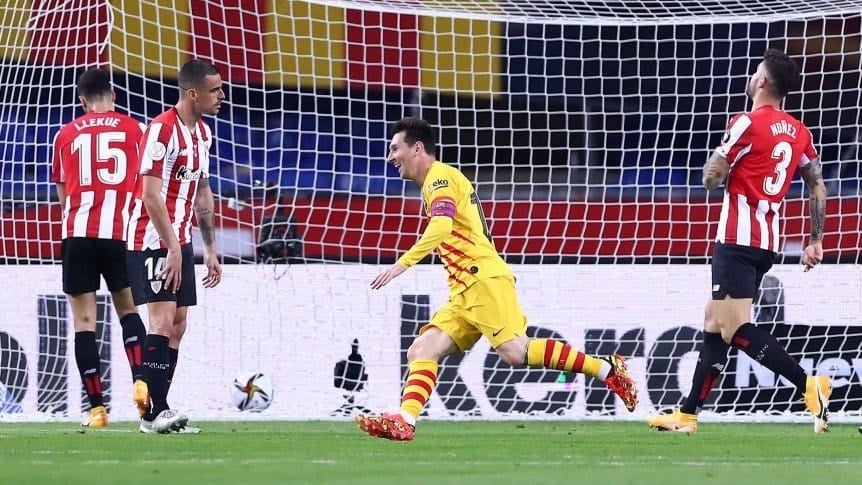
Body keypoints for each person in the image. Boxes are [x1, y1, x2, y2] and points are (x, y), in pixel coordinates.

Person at [355, 117, 638, 441]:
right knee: (422, 349)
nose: (390, 157)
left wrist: (403, 264)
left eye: (395, 149)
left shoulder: (439, 178)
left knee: (515, 351)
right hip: (463, 288)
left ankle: (607, 368)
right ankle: (405, 420)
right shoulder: (439, 181)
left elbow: (442, 225)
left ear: (417, 148)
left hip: (481, 278)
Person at [647, 49, 830, 433]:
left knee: (733, 328)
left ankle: (808, 385)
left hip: (736, 239)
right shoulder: (799, 132)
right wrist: (815, 239)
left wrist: (720, 160)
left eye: (755, 71)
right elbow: (817, 185)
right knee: (714, 322)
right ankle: (688, 414)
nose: (752, 76)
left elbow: (710, 178)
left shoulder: (746, 122)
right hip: (766, 242)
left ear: (762, 81)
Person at [127, 59, 224, 434]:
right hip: (152, 239)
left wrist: (209, 248)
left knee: (179, 326)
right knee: (162, 321)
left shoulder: (203, 134)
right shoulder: (161, 130)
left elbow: (202, 191)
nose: (222, 95)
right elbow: (150, 195)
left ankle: (157, 412)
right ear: (193, 94)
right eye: (215, 90)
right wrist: (170, 246)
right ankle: (156, 412)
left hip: (179, 240)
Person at [50, 68, 149, 427]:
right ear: (114, 96)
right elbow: (147, 183)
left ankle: (97, 410)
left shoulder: (65, 134)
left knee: (84, 323)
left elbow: (63, 194)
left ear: (82, 101)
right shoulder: (136, 130)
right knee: (128, 310)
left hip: (78, 233)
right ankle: (141, 382)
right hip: (121, 232)